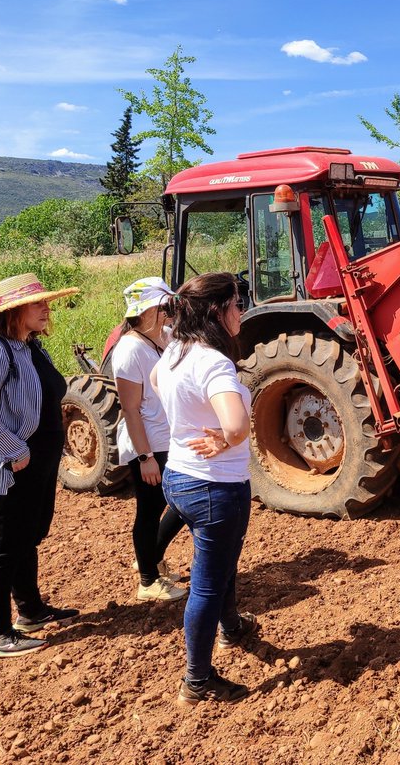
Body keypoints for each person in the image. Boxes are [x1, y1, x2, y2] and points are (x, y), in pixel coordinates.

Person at [0, 273, 81, 658]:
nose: (47, 308)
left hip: (33, 461)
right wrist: (15, 450)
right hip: (6, 464)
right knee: (3, 547)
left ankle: (30, 612)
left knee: (27, 536)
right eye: (38, 303)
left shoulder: (27, 347)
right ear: (13, 312)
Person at [153, 272, 257, 705]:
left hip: (179, 478)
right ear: (217, 310)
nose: (241, 311)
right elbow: (237, 423)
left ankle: (231, 628)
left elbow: (157, 382)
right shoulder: (213, 361)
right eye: (236, 302)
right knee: (207, 585)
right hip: (216, 488)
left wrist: (191, 427)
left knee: (222, 561)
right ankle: (196, 681)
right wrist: (224, 436)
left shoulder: (177, 349)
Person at [113, 277, 186, 603]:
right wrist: (145, 458)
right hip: (148, 444)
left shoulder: (164, 337)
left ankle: (149, 556)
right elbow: (130, 409)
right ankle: (148, 580)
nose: (171, 310)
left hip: (168, 438)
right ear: (151, 310)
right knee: (150, 508)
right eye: (166, 305)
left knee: (179, 502)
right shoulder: (130, 350)